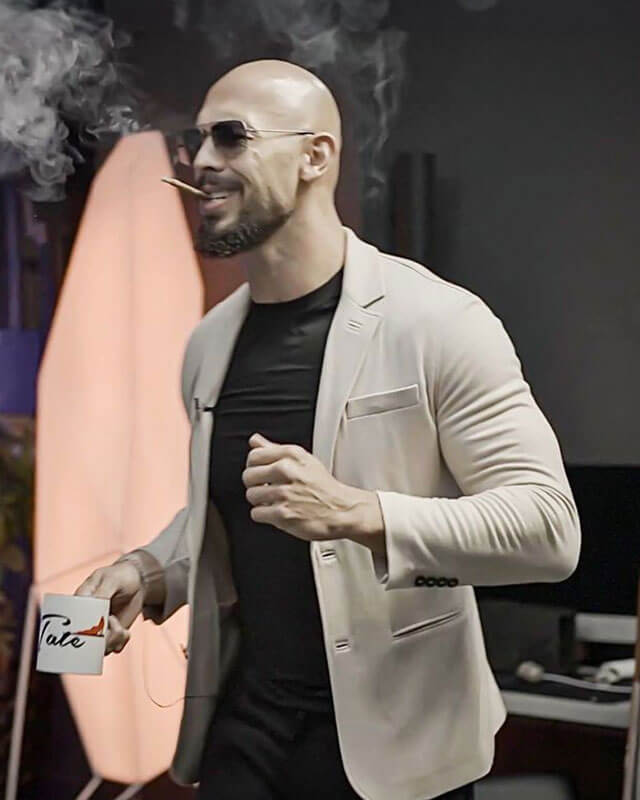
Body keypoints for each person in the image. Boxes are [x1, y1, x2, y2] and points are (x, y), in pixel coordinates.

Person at [75, 59, 581, 800]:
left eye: (231, 137)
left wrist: (356, 512)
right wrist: (151, 570)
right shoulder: (208, 344)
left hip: (397, 751)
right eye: (197, 141)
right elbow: (231, 512)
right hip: (246, 731)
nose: (202, 160)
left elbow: (549, 531)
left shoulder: (439, 321)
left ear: (315, 156)